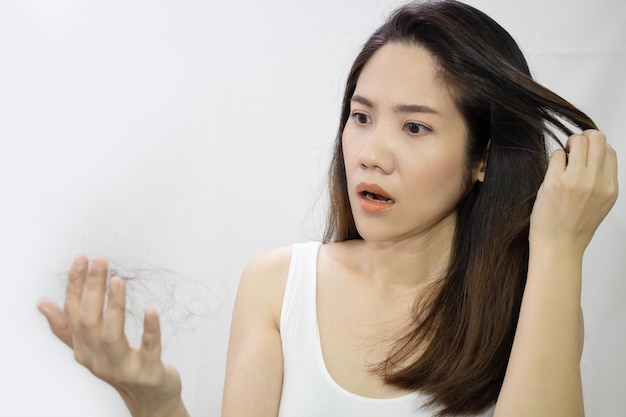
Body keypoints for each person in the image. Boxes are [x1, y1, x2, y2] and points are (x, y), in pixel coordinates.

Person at [37, 1, 618, 416]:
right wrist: (154, 402)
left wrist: (559, 249)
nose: (370, 154)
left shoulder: (528, 304)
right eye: (361, 117)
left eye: (415, 126)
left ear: (482, 159)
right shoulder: (279, 286)